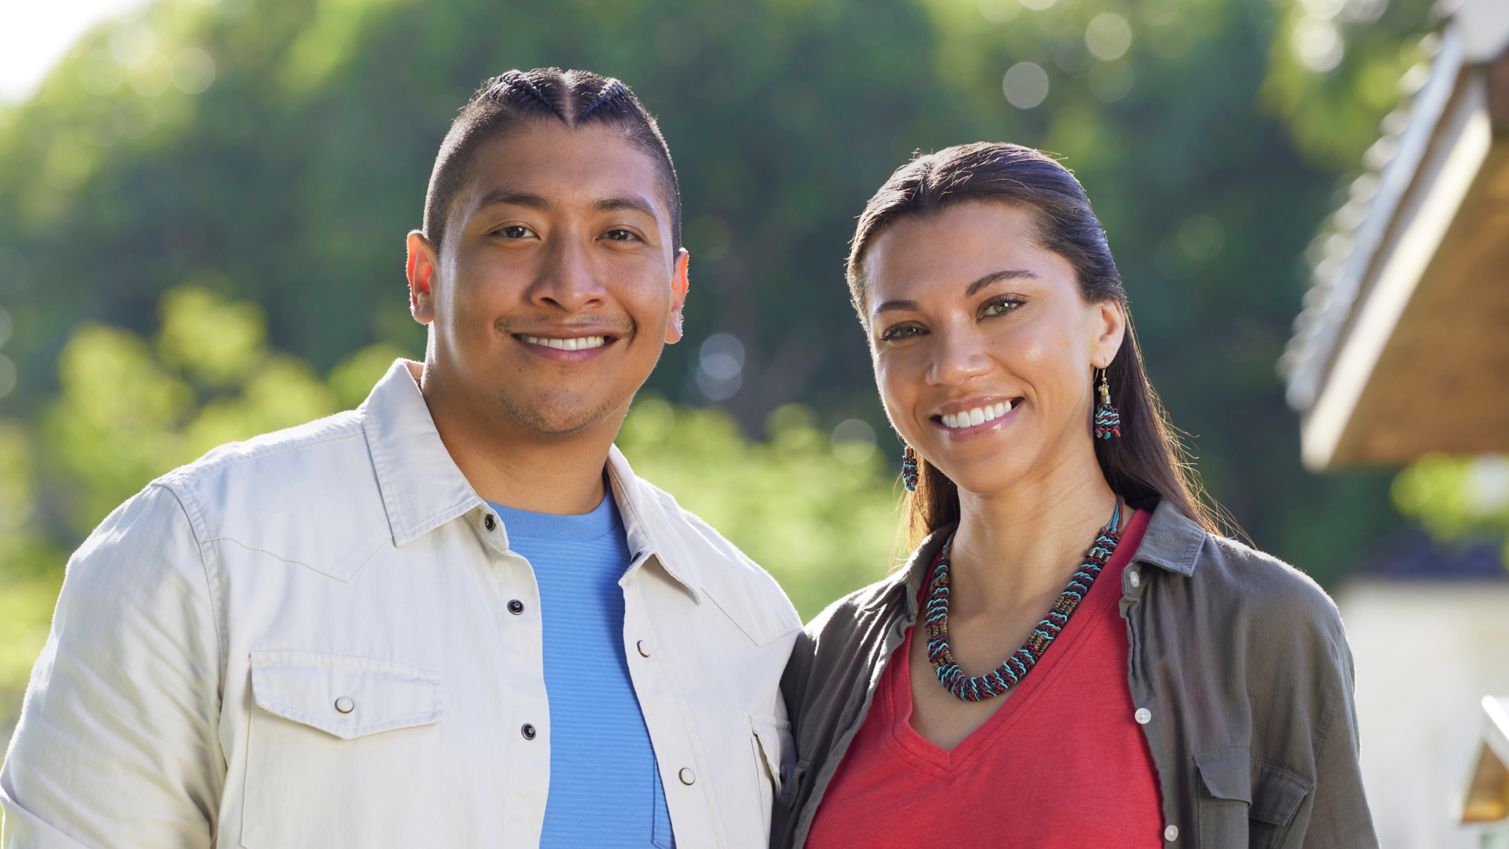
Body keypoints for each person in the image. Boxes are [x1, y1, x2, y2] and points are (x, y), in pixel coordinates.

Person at [1, 67, 798, 849]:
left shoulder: (749, 623)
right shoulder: (197, 553)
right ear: (424, 275)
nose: (570, 283)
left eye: (619, 235)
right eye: (515, 231)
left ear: (677, 291)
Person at [773, 142, 1377, 849]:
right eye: (905, 329)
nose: (952, 365)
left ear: (1103, 327)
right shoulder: (824, 659)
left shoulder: (1261, 627)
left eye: (1000, 305)